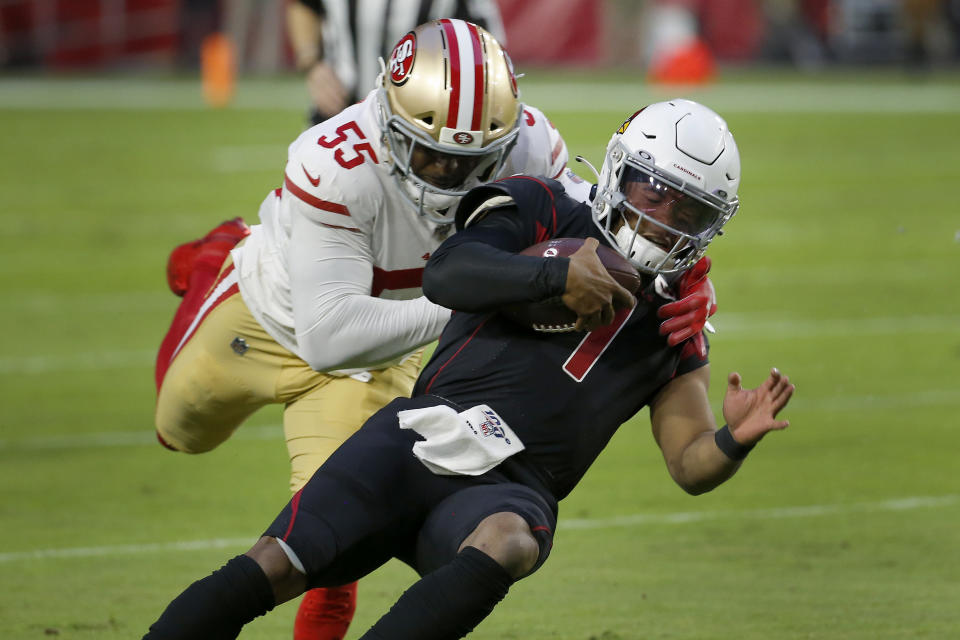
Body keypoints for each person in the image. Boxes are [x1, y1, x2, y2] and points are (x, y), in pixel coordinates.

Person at [143, 98, 795, 640]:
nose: (662, 218)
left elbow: (688, 461)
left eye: (689, 212)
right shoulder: (546, 206)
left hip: (513, 485)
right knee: (275, 565)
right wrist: (553, 274)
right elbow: (447, 271)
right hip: (420, 433)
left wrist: (734, 439)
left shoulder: (678, 320)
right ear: (621, 170)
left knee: (512, 542)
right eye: (655, 192)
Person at [286, 0, 506, 125]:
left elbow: (484, 42)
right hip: (339, 109)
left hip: (423, 119)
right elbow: (304, 5)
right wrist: (313, 64)